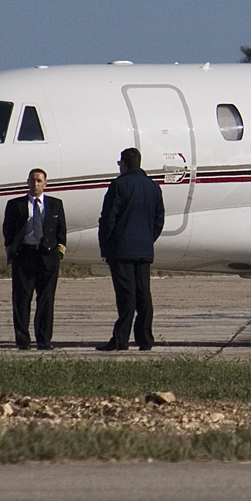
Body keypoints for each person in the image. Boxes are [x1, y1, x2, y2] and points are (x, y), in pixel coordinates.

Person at [96, 147, 165, 351]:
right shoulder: (153, 187)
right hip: (144, 249)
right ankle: (145, 338)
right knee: (143, 294)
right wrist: (148, 239)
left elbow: (109, 218)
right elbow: (159, 219)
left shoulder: (119, 185)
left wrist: (107, 245)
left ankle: (120, 339)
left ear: (123, 164)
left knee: (126, 296)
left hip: (122, 249)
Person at [1, 168, 67, 350]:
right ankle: (22, 340)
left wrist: (59, 251)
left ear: (46, 183)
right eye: (33, 181)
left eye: (39, 181)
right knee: (22, 300)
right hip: (25, 256)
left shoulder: (55, 204)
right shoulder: (16, 204)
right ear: (27, 182)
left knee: (46, 300)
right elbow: (8, 229)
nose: (36, 184)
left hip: (47, 257)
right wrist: (11, 248)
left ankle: (44, 340)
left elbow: (61, 229)